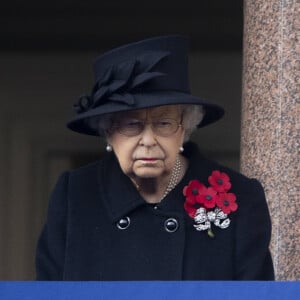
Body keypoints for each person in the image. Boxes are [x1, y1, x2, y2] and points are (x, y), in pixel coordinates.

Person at [35, 35, 274, 280]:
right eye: (131, 125)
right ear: (108, 132)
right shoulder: (75, 195)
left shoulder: (241, 197)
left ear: (185, 128)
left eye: (164, 123)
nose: (148, 140)